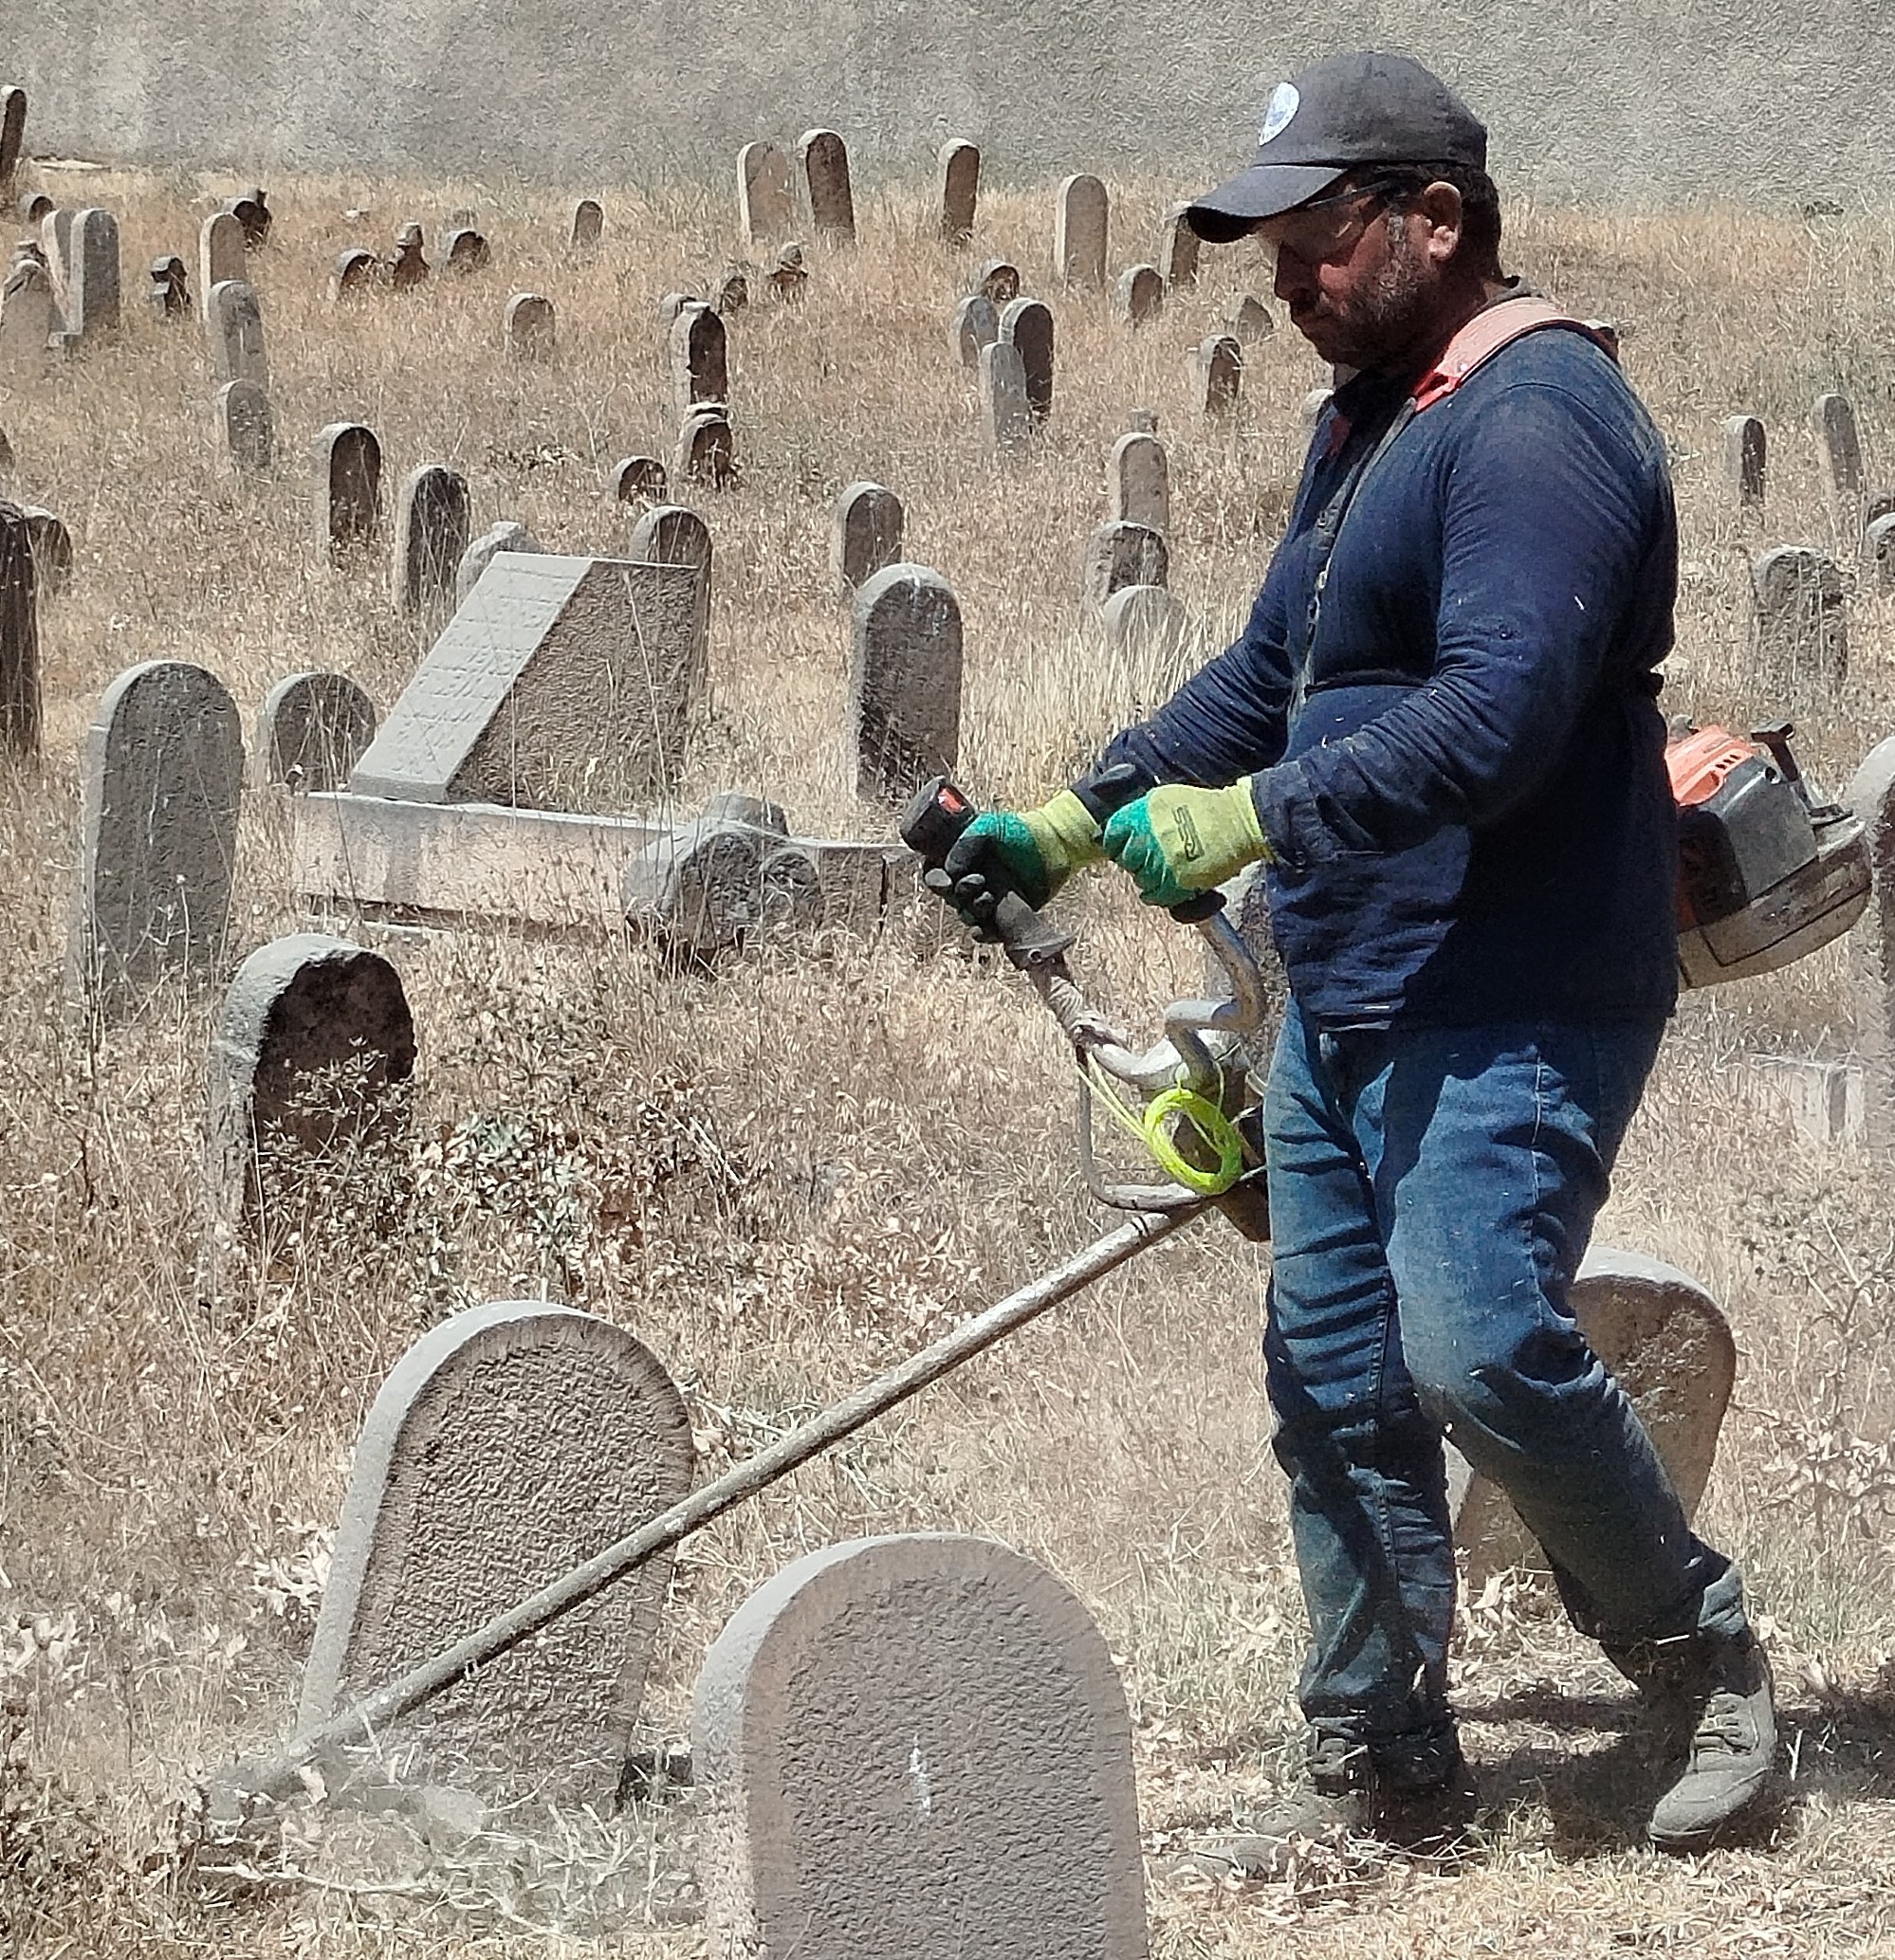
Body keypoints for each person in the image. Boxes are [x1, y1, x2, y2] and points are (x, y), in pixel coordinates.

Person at [937, 49, 1776, 1861]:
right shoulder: (1375, 410)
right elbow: (1273, 680)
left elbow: (1498, 719)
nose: (1282, 278)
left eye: (1315, 240)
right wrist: (1079, 819)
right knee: (1330, 1380)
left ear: (1433, 219)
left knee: (1472, 1342)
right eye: (1269, 248)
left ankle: (1704, 1661)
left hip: (1517, 988)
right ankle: (1383, 1763)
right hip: (1348, 984)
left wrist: (1249, 821)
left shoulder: (1539, 420)